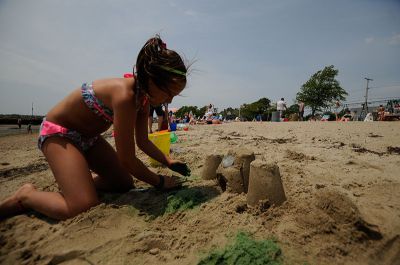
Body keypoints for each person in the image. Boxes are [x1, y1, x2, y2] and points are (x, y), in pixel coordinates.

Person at [0, 35, 190, 220]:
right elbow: (127, 159)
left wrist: (168, 161)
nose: (170, 100)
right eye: (168, 93)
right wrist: (160, 182)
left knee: (123, 183)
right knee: (82, 205)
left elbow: (143, 141)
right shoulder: (125, 96)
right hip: (59, 134)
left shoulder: (143, 99)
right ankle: (26, 196)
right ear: (151, 78)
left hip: (88, 139)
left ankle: (77, 185)